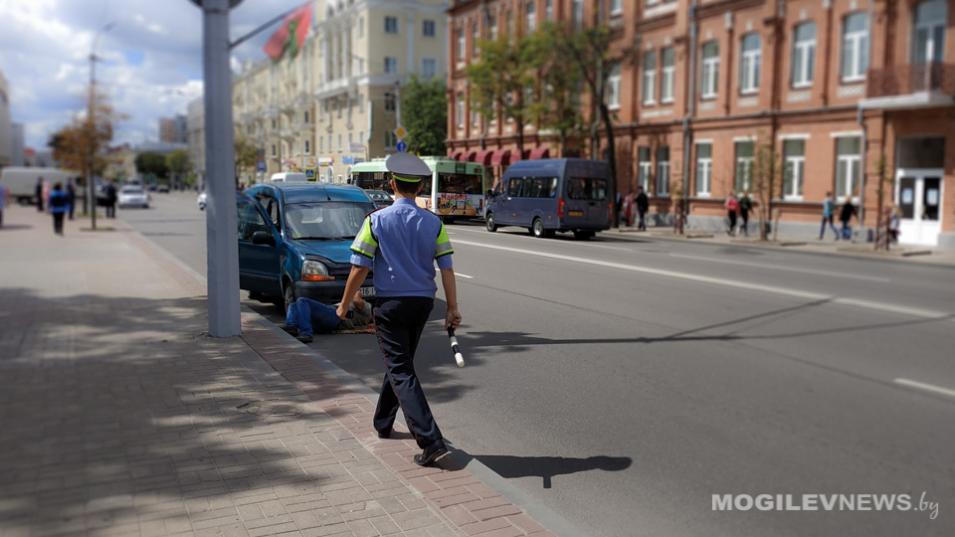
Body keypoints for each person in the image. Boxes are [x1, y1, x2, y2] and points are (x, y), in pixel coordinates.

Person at [337, 152, 461, 467]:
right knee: (400, 363)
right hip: (423, 305)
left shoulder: (375, 221)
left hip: (390, 305)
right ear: (419, 187)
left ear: (391, 184)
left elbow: (358, 268)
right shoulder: (435, 223)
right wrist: (452, 309)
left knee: (401, 368)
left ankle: (431, 441)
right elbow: (446, 268)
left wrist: (345, 303)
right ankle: (383, 421)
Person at [282, 292, 373, 343]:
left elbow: (357, 300)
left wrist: (357, 290)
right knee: (293, 304)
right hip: (330, 315)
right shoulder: (359, 309)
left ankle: (306, 333)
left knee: (302, 301)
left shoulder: (367, 308)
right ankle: (292, 327)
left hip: (336, 317)